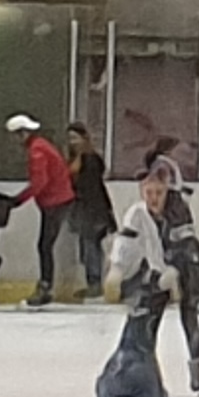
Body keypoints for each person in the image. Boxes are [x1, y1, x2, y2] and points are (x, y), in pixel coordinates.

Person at [97, 159, 199, 397]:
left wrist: (176, 274)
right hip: (159, 267)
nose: (153, 198)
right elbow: (126, 242)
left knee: (188, 314)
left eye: (158, 192)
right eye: (148, 192)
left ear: (167, 190)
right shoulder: (137, 213)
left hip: (188, 262)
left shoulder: (178, 211)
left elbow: (186, 248)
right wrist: (117, 269)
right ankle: (141, 368)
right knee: (148, 311)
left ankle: (198, 373)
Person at [17, 114, 76, 305]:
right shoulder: (42, 145)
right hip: (57, 199)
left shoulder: (37, 151)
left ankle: (45, 287)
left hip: (55, 202)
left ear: (24, 133)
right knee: (45, 244)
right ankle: (46, 285)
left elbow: (40, 181)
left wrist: (19, 199)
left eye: (18, 135)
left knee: (44, 245)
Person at [62, 124, 115, 300]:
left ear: (84, 139)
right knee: (87, 247)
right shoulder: (79, 159)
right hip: (88, 210)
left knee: (90, 246)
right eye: (70, 139)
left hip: (93, 210)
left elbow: (89, 187)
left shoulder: (90, 160)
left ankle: (95, 282)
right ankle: (93, 281)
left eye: (75, 138)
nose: (72, 142)